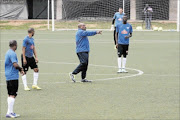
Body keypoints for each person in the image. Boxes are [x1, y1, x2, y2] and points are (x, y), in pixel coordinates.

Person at [5, 40, 24, 118]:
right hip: (13, 76)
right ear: (15, 45)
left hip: (8, 76)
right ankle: (10, 113)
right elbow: (15, 65)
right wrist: (21, 69)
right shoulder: (12, 53)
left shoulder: (8, 52)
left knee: (10, 94)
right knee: (13, 94)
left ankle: (9, 112)